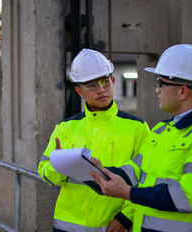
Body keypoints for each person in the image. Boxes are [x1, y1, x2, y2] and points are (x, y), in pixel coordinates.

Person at [90, 44, 192, 232]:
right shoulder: (160, 131)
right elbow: (134, 172)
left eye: (161, 83)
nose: (156, 90)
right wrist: (97, 171)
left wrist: (128, 193)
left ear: (182, 91)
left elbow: (188, 197)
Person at [38, 48, 150, 232]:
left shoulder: (137, 128)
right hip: (68, 227)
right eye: (92, 85)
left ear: (113, 81)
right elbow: (44, 171)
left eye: (105, 82)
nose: (101, 89)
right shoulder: (66, 128)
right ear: (79, 91)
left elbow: (148, 179)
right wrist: (59, 165)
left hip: (114, 227)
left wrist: (125, 219)